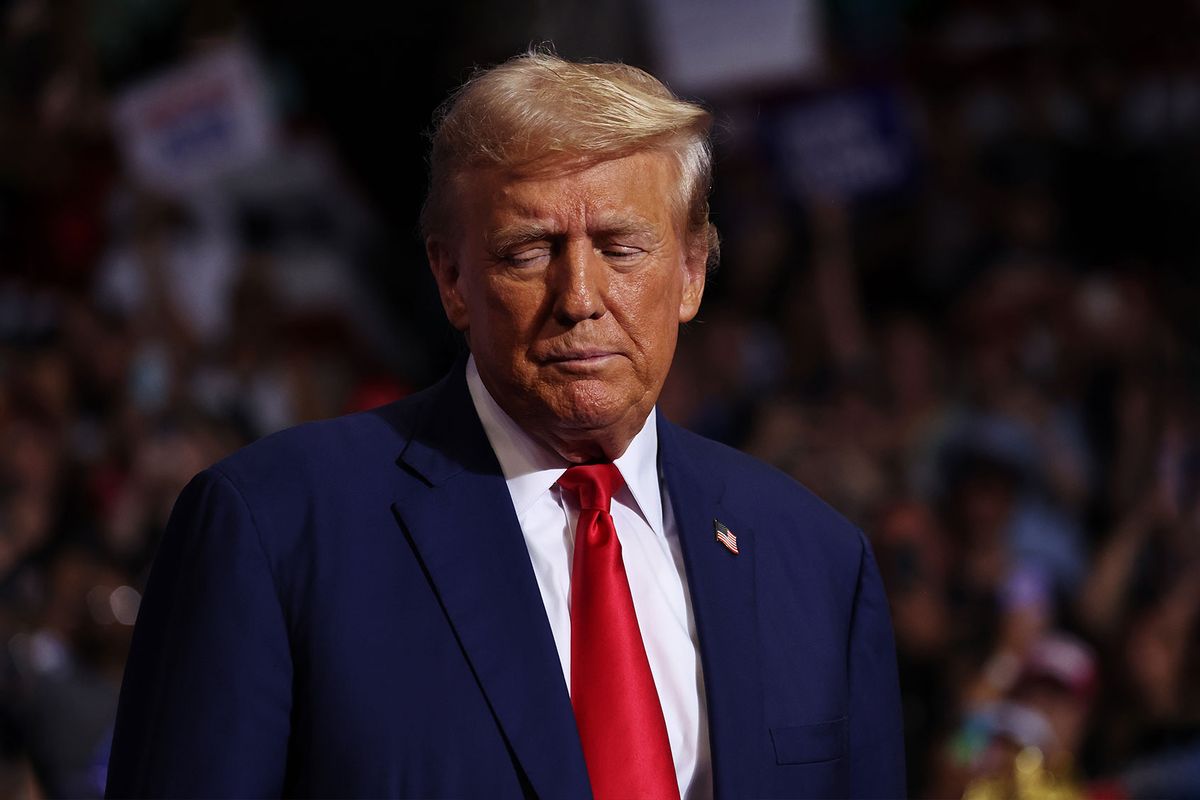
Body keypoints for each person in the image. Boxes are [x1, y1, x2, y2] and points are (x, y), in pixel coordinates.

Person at [105, 50, 905, 799]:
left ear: (692, 273)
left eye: (622, 248)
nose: (580, 297)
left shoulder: (817, 559)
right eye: (530, 251)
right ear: (451, 277)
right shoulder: (274, 527)